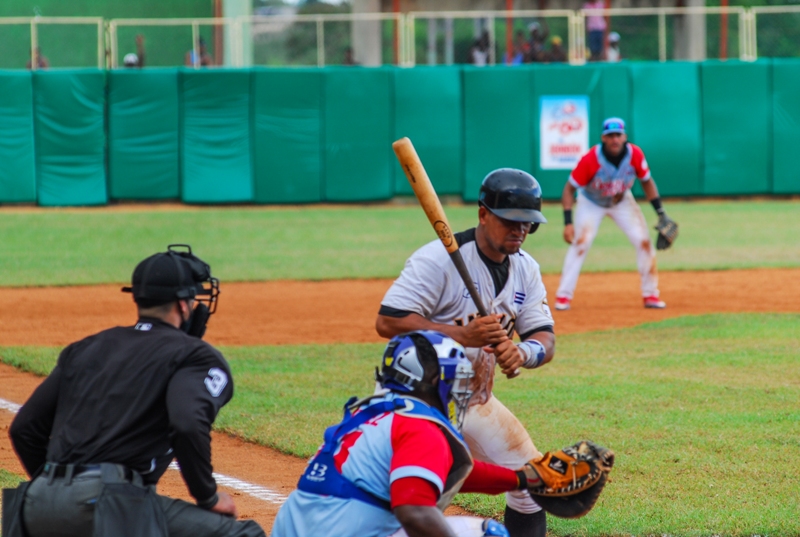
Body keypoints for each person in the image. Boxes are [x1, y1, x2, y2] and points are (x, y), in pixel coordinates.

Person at [8, 245, 265, 537]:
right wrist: (208, 496)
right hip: (106, 503)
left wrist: (57, 494)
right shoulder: (193, 355)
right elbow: (187, 423)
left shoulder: (85, 348)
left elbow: (24, 428)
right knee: (244, 534)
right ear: (183, 306)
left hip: (35, 504)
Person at [376, 170, 556, 537]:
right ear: (483, 214)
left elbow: (545, 338)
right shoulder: (436, 260)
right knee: (415, 506)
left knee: (530, 484)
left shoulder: (526, 268)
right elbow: (388, 321)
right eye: (511, 221)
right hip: (419, 403)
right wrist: (461, 334)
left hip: (475, 400)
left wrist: (523, 352)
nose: (520, 230)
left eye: (528, 223)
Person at [272, 330, 544, 537]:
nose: (460, 389)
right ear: (434, 381)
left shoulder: (373, 413)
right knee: (487, 534)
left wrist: (522, 478)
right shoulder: (420, 427)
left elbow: (437, 469)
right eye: (456, 379)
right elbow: (414, 512)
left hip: (300, 527)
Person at [554, 118, 671, 311]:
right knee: (581, 243)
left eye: (618, 135)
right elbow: (569, 189)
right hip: (591, 203)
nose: (614, 139)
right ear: (603, 138)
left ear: (625, 137)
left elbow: (647, 181)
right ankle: (563, 296)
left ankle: (650, 294)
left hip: (621, 201)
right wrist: (568, 222)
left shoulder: (635, 154)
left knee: (644, 242)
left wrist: (660, 212)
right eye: (610, 136)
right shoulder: (591, 159)